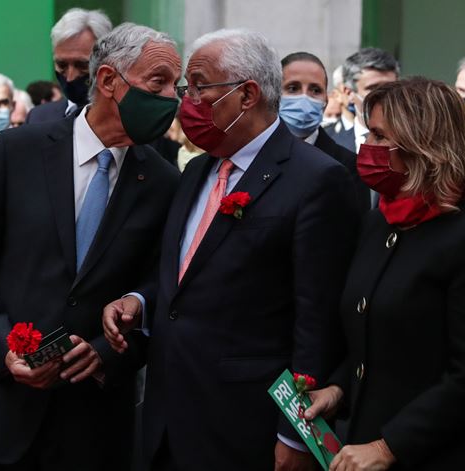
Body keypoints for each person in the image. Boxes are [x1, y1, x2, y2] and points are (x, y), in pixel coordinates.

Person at [102, 29, 360, 470]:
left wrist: (296, 433)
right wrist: (140, 302)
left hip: (247, 426)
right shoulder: (196, 170)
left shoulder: (316, 179)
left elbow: (317, 317)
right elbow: (187, 277)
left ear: (247, 95)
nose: (187, 101)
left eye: (200, 87)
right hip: (168, 418)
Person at [0, 23, 181, 470]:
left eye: (176, 84)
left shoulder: (165, 182)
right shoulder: (18, 151)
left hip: (92, 428)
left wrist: (108, 349)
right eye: (159, 82)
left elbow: (160, 291)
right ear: (109, 81)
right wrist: (4, 349)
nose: (173, 97)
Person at [303, 77, 465, 471]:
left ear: (421, 145)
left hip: (437, 454)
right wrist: (340, 388)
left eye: (378, 136)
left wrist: (388, 447)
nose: (366, 146)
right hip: (362, 445)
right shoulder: (379, 224)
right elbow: (373, 332)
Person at [280, 51, 370, 212]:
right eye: (293, 88)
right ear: (274, 94)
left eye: (315, 90)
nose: (304, 98)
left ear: (325, 101)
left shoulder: (349, 166)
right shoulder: (253, 152)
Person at [25, 8, 112, 123]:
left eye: (81, 65)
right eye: (62, 64)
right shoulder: (39, 118)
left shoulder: (127, 122)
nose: (70, 77)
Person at [329, 48, 399, 154]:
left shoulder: (415, 142)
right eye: (372, 88)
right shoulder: (328, 143)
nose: (384, 95)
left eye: (390, 87)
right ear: (348, 93)